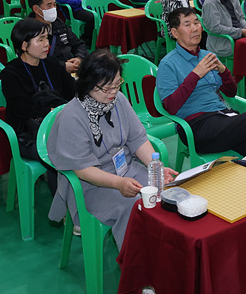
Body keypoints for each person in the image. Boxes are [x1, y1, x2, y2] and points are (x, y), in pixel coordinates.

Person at [47, 49, 177, 246]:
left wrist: (155, 168)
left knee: (164, 191)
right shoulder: (72, 116)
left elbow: (137, 139)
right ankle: (137, 260)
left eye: (117, 84)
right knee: (135, 205)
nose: (113, 92)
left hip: (126, 170)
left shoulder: (119, 101)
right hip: (91, 185)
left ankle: (165, 249)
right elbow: (82, 169)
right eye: (106, 88)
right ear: (88, 83)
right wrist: (118, 183)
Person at [158, 7, 246, 154]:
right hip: (195, 127)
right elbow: (170, 107)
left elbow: (231, 92)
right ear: (175, 33)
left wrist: (224, 72)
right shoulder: (168, 64)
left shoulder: (208, 56)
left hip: (221, 118)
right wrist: (195, 75)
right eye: (187, 24)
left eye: (196, 23)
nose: (195, 28)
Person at [2, 18, 77, 197]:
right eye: (40, 39)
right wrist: (53, 112)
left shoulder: (52, 64)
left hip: (60, 127)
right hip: (28, 136)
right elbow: (22, 110)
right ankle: (64, 206)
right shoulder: (11, 73)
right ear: (24, 45)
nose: (47, 44)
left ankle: (86, 199)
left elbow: (73, 92)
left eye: (47, 38)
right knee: (59, 154)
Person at [27, 0, 88, 74]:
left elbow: (78, 44)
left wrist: (79, 58)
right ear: (36, 9)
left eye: (54, 5)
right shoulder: (29, 30)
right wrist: (62, 66)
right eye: (49, 5)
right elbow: (35, 61)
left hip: (69, 68)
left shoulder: (58, 23)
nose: (53, 8)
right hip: (48, 74)